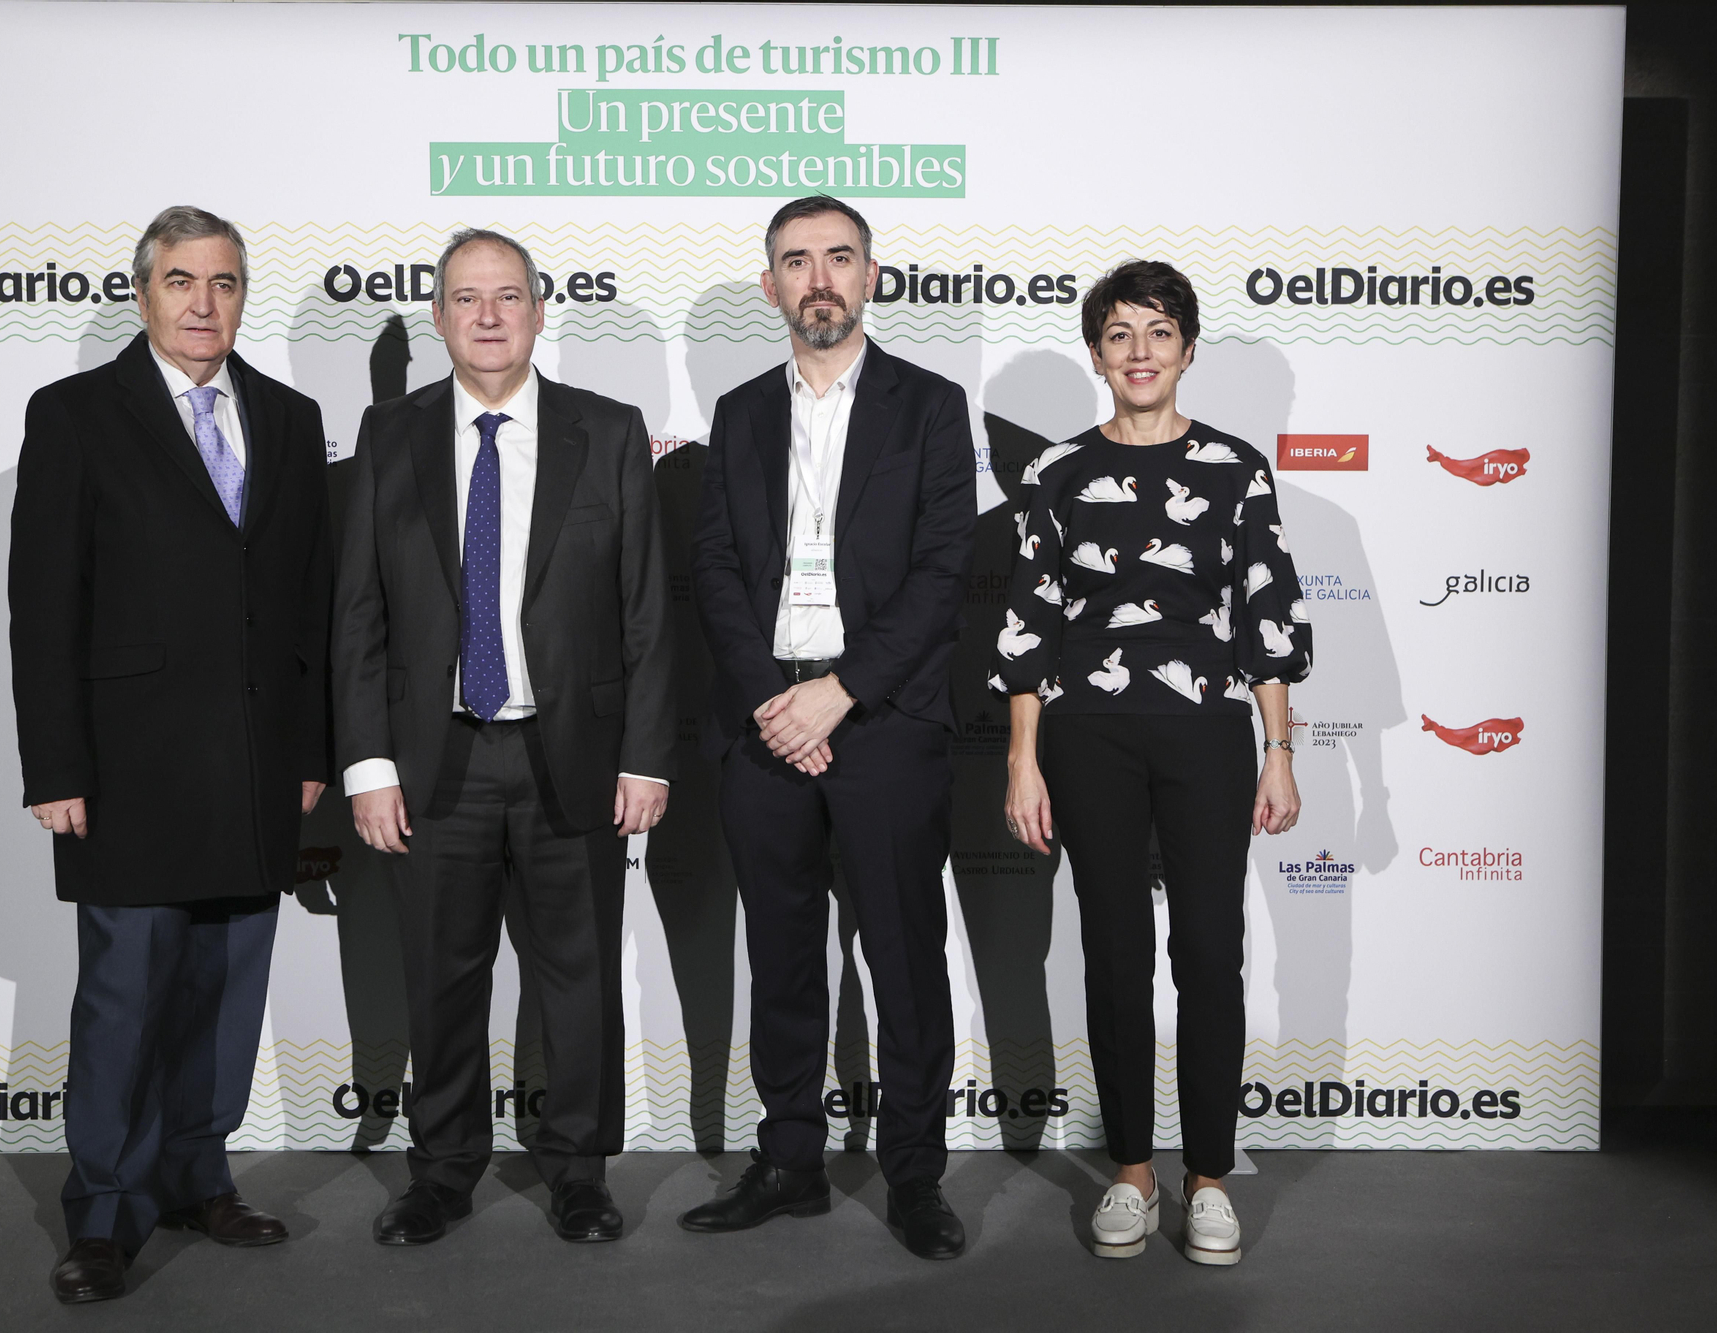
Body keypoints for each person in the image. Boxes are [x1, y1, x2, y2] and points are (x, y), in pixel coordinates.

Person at [9, 205, 332, 1303]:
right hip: (127, 766)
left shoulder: (290, 419)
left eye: (226, 283)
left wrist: (310, 750)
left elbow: (308, 609)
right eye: (183, 281)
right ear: (144, 294)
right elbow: (43, 604)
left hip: (254, 766)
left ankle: (199, 1174)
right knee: (123, 1000)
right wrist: (55, 767)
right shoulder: (74, 414)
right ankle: (100, 1214)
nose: (205, 304)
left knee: (226, 992)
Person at [331, 228, 675, 1246]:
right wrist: (367, 762)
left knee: (577, 977)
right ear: (437, 317)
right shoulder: (387, 434)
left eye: (507, 296)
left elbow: (646, 611)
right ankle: (439, 1172)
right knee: (441, 976)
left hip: (568, 756)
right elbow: (358, 612)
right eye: (465, 298)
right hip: (434, 757)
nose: (487, 315)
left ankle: (578, 1171)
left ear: (536, 311)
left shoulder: (607, 432)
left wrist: (645, 753)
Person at [998, 259, 1310, 1266]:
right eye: (1120, 333)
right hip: (1086, 737)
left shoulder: (1232, 468)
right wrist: (1021, 759)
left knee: (1208, 952)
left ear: (1185, 348)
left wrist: (1278, 752)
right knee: (1115, 951)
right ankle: (1130, 1173)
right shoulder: (1054, 473)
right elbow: (1028, 625)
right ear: (1096, 353)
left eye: (1157, 331)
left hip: (1207, 735)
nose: (1138, 351)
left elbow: (1266, 618)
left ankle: (1207, 1177)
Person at [684, 195, 976, 1260]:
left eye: (838, 258)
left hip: (885, 721)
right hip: (764, 725)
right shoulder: (741, 409)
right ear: (769, 285)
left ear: (869, 276)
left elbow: (943, 573)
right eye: (795, 261)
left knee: (901, 958)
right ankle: (790, 1159)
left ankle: (912, 1175)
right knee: (782, 955)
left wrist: (837, 692)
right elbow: (714, 565)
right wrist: (776, 699)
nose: (819, 278)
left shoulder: (931, 406)